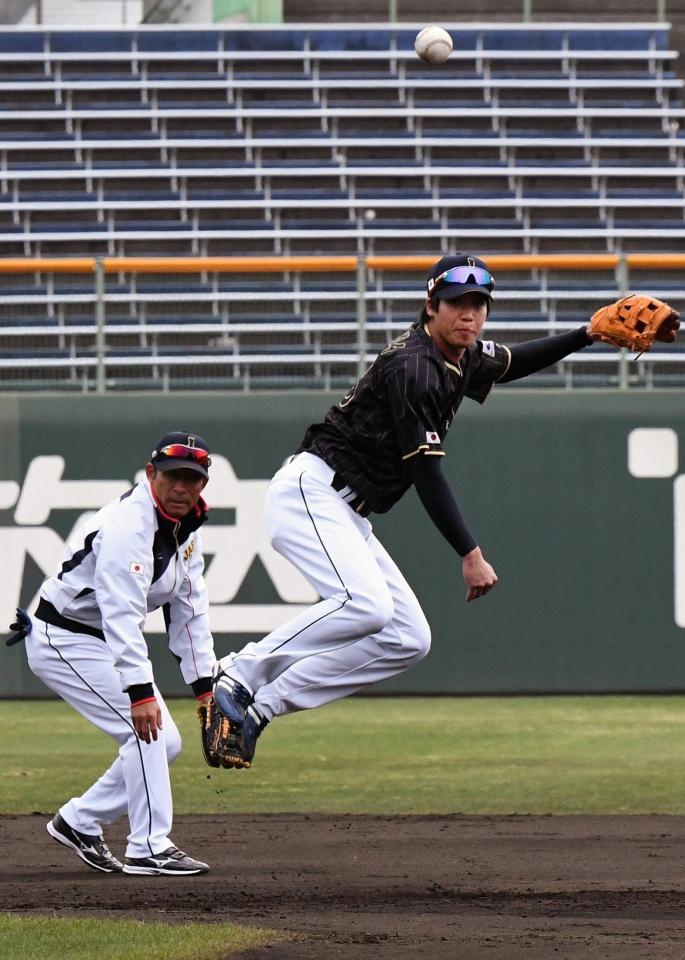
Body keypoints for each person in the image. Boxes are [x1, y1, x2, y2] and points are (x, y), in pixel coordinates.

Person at [212, 254, 599, 766]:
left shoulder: (457, 356)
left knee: (407, 639)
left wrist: (588, 332)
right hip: (313, 492)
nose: (470, 315)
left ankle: (260, 707)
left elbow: (513, 362)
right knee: (366, 605)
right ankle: (240, 673)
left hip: (348, 509)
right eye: (458, 303)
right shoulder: (414, 365)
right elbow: (425, 473)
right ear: (430, 306)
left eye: (479, 305)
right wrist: (470, 552)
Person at [20, 431, 216, 876]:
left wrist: (205, 688)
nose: (181, 487)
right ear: (151, 474)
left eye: (192, 478)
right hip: (64, 637)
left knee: (164, 740)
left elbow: (190, 610)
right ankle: (149, 846)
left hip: (96, 639)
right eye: (172, 477)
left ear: (203, 484)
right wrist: (140, 693)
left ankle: (79, 821)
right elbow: (122, 616)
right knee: (144, 729)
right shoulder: (129, 526)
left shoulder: (185, 528)